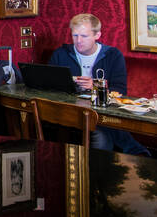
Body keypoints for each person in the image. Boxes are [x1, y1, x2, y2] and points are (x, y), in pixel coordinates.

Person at [47, 13, 147, 154]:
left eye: (84, 36)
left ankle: (133, 154)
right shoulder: (61, 54)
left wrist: (95, 86)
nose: (78, 41)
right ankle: (138, 153)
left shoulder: (113, 55)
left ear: (97, 35)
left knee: (103, 134)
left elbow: (120, 90)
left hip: (101, 112)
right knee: (103, 135)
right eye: (75, 35)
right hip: (71, 111)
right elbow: (49, 84)